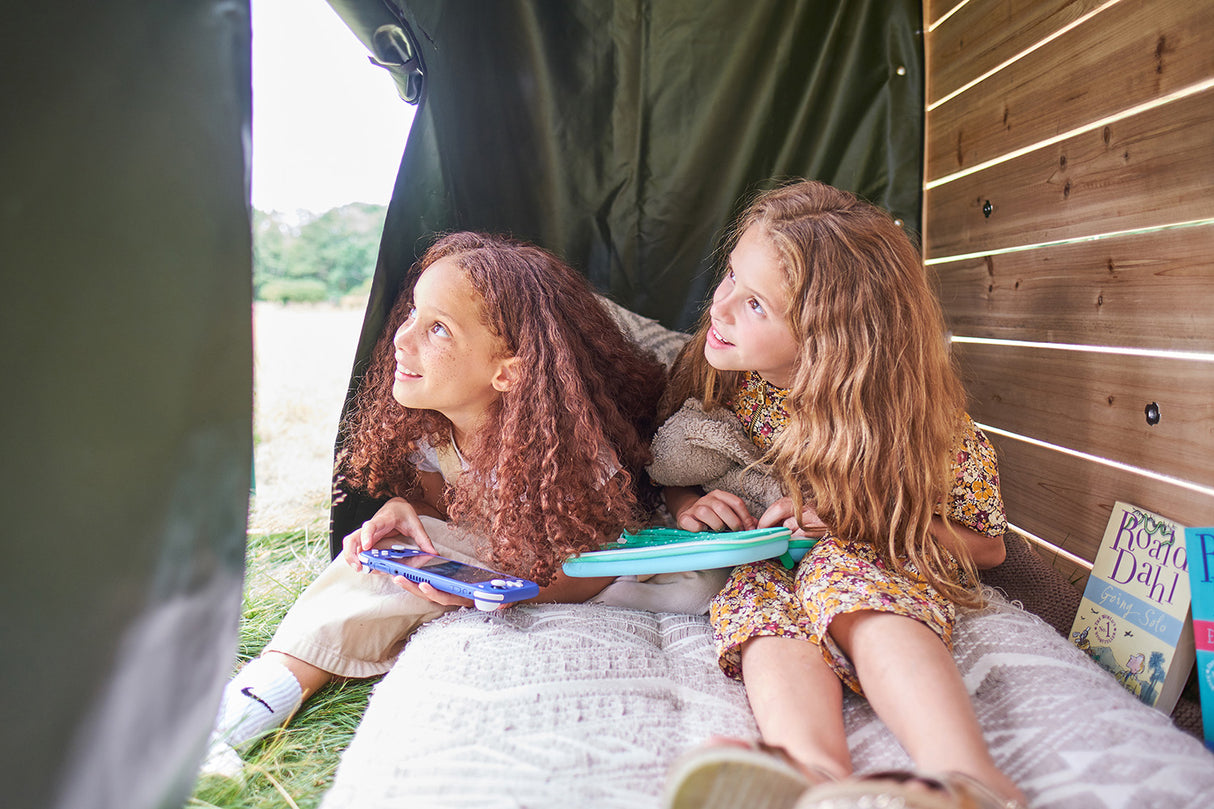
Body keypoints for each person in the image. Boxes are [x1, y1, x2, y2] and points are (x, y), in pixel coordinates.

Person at [203, 232, 670, 776]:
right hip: (497, 560)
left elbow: (591, 569)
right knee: (387, 555)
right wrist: (406, 509)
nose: (402, 338)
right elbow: (444, 511)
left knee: (372, 581)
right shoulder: (436, 434)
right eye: (413, 314)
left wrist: (486, 591)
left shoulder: (568, 452)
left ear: (507, 372)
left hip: (565, 571)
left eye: (438, 329)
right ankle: (244, 710)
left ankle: (241, 714)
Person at [650, 180, 1028, 809]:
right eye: (730, 279)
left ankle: (969, 778)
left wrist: (863, 520)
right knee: (758, 601)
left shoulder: (925, 430)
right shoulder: (724, 372)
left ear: (832, 339)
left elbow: (987, 548)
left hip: (867, 553)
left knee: (846, 571)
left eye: (756, 306)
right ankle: (814, 779)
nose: (719, 308)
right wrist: (688, 503)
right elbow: (677, 456)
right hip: (769, 555)